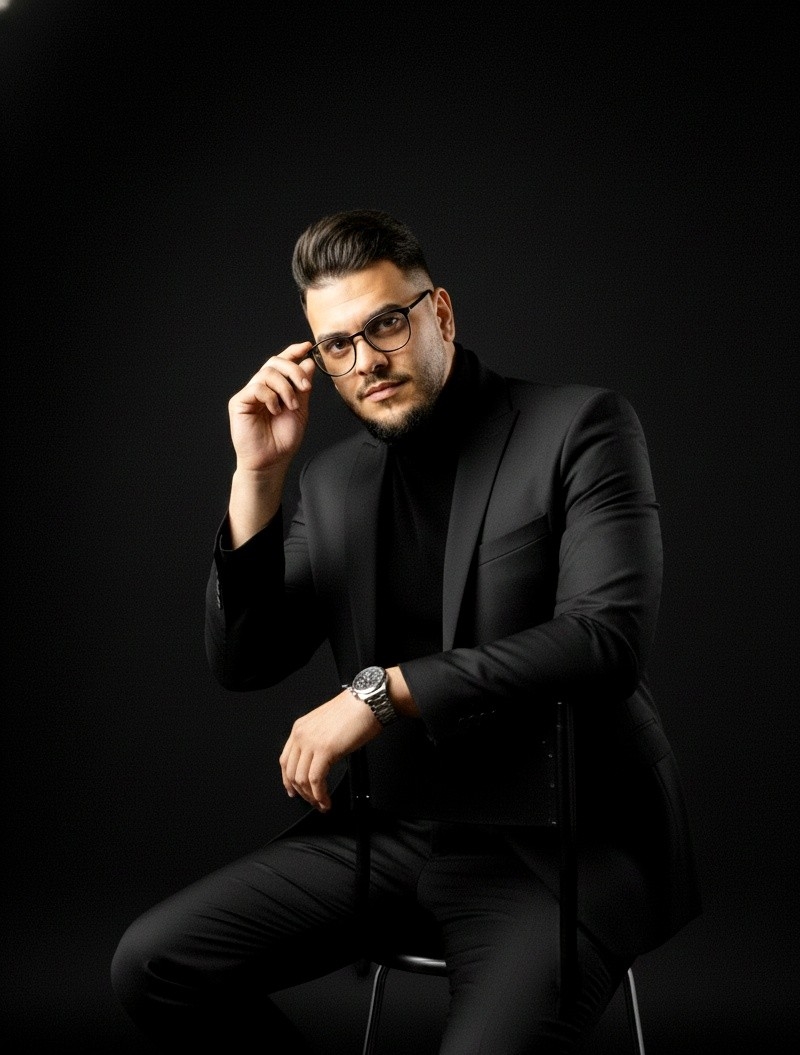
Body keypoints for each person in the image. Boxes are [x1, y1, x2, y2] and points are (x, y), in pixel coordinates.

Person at [111, 208, 701, 1053]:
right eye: (337, 344)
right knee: (153, 965)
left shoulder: (579, 428)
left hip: (562, 842)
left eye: (386, 323)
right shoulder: (334, 483)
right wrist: (257, 477)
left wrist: (383, 692)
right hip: (395, 834)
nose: (366, 361)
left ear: (440, 313)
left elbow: (606, 641)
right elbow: (245, 659)